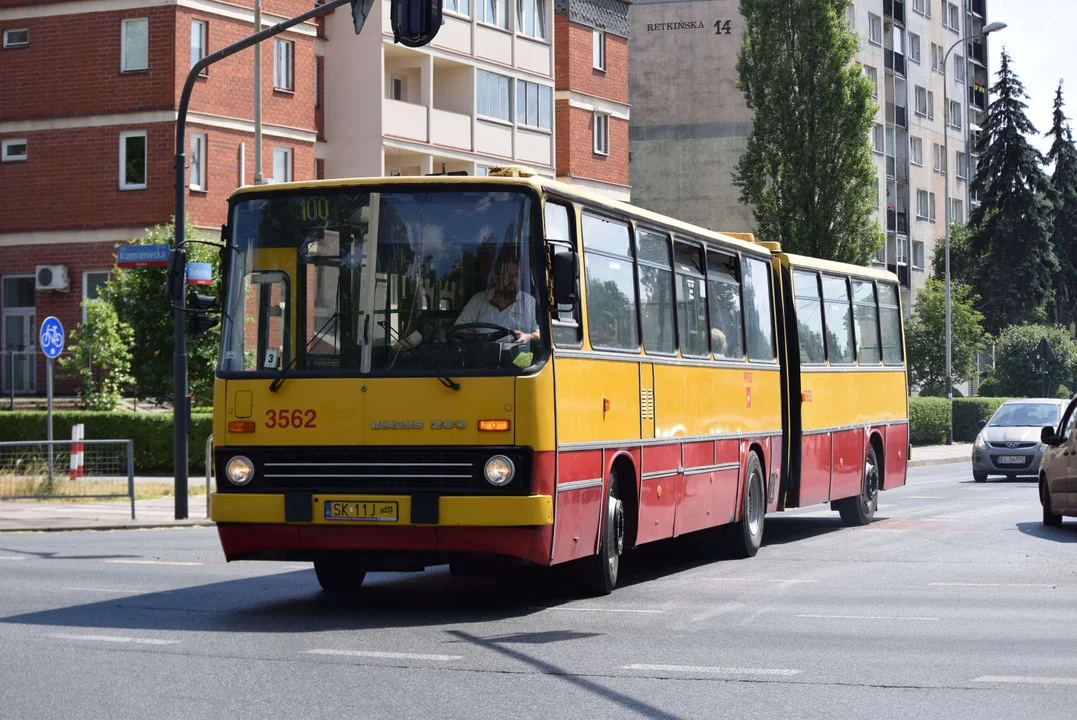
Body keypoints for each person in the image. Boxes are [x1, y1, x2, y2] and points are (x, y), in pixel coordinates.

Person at [454, 251, 540, 343]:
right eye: (507, 275)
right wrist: (479, 340)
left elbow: (540, 334)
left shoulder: (528, 301)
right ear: (495, 277)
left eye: (516, 275)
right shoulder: (479, 299)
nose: (512, 280)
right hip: (480, 352)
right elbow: (459, 329)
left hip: (515, 354)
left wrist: (527, 337)